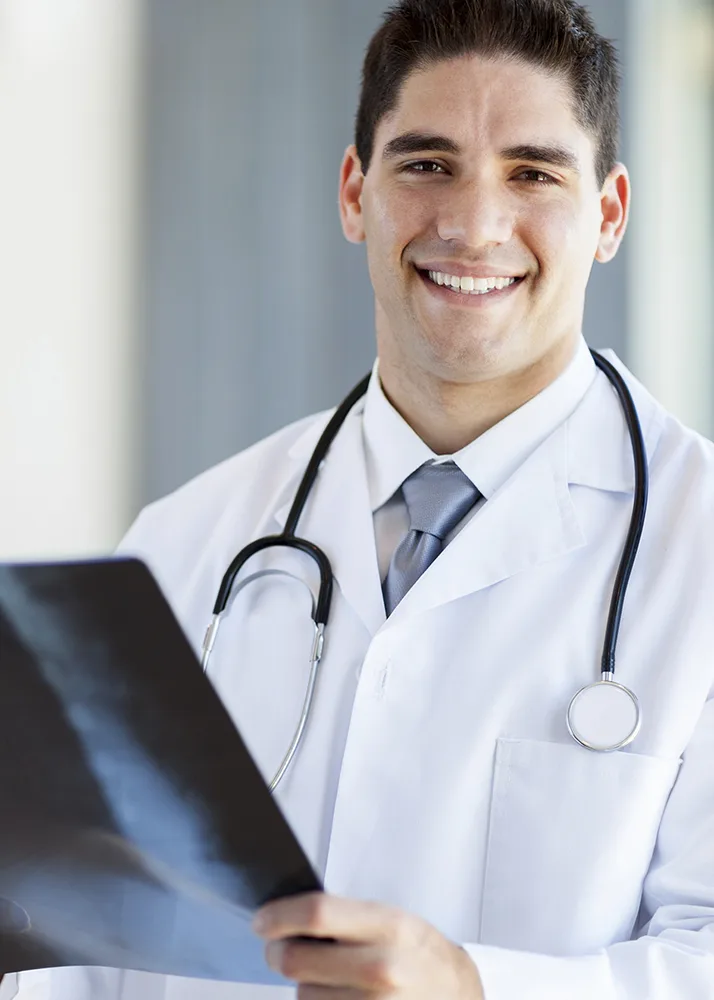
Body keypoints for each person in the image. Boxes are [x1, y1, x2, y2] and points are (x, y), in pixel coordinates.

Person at [7, 0, 714, 996]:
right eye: (426, 164)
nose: (472, 223)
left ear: (607, 214)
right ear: (354, 194)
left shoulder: (700, 549)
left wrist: (472, 987)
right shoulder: (184, 545)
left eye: (534, 173)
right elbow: (76, 954)